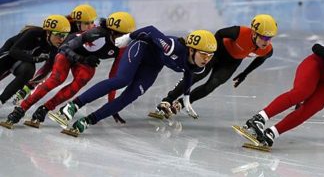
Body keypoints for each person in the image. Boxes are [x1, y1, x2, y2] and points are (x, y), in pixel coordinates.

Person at [52, 26, 217, 135]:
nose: (207, 59)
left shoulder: (199, 66)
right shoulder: (171, 46)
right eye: (204, 54)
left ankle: (88, 120)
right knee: (122, 80)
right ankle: (73, 106)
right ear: (191, 49)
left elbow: (188, 73)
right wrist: (129, 37)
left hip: (153, 65)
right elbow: (151, 30)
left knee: (130, 96)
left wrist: (186, 97)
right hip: (141, 48)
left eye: (210, 55)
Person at [1, 11, 135, 128]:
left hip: (85, 61)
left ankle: (44, 109)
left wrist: (112, 105)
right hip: (68, 54)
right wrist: (81, 59)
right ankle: (21, 108)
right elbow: (64, 48)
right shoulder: (96, 34)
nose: (125, 39)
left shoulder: (122, 48)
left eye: (127, 35)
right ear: (111, 31)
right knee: (56, 79)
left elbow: (114, 79)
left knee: (80, 82)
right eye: (121, 35)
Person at [155, 14, 278, 118]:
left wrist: (244, 74)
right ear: (254, 33)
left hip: (231, 63)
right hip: (217, 53)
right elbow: (219, 34)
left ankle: (181, 103)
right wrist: (212, 53)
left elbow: (260, 60)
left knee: (211, 85)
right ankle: (167, 100)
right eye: (264, 37)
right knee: (197, 75)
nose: (267, 41)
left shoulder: (267, 50)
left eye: (270, 38)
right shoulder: (239, 32)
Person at [12, 4, 98, 105]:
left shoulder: (91, 28)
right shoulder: (66, 23)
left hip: (73, 48)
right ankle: (26, 88)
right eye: (86, 23)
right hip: (60, 47)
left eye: (92, 23)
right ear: (77, 22)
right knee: (49, 66)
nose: (90, 26)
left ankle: (28, 88)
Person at [0, 14, 70, 107]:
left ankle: (1, 100)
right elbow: (14, 51)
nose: (61, 39)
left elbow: (46, 71)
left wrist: (28, 88)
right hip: (8, 56)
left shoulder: (55, 47)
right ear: (48, 32)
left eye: (64, 35)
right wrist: (34, 59)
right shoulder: (34, 33)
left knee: (28, 70)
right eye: (59, 35)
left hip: (21, 63)